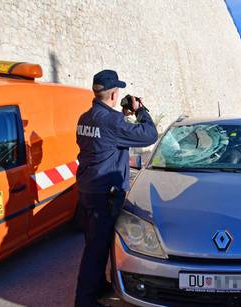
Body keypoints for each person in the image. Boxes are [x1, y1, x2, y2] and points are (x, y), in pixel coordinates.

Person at [75, 70, 158, 307]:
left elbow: (102, 142)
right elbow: (149, 135)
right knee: (97, 250)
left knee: (93, 243)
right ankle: (85, 301)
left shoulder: (85, 117)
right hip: (105, 194)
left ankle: (97, 286)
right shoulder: (112, 122)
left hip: (87, 189)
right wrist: (142, 110)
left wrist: (121, 117)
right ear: (113, 93)